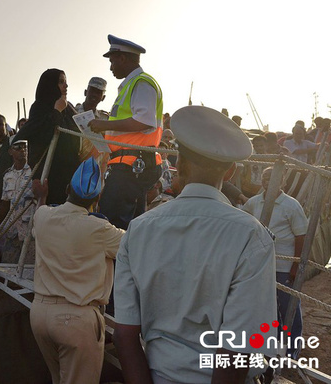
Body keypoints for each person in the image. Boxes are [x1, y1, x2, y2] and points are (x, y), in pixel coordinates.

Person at [113, 105, 276, 384]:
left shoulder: (138, 229)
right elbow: (238, 347)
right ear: (230, 173)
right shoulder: (251, 235)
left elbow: (125, 336)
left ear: (181, 164)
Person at [30, 157, 123, 384]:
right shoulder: (99, 229)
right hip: (75, 320)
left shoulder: (42, 216)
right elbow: (136, 244)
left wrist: (43, 195)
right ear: (97, 198)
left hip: (40, 314)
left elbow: (42, 208)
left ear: (66, 189)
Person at [89, 35, 163, 229]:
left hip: (131, 166)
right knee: (125, 227)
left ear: (123, 58)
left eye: (112, 61)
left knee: (111, 225)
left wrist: (103, 126)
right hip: (129, 164)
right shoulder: (133, 85)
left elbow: (144, 121)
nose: (111, 67)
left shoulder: (141, 83)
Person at [243, 166, 308, 358]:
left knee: (289, 308)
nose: (268, 181)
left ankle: (291, 351)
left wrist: (296, 265)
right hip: (260, 266)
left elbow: (301, 236)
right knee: (267, 308)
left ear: (283, 182)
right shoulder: (254, 203)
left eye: (273, 178)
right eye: (265, 178)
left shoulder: (291, 205)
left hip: (283, 266)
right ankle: (272, 348)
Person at [14, 68, 81, 205]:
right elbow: (39, 134)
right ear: (51, 85)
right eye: (61, 82)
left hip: (70, 174)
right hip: (49, 175)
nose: (65, 86)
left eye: (66, 82)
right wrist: (56, 111)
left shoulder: (69, 109)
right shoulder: (40, 107)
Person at [0, 139, 36, 263]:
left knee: (28, 271)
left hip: (29, 231)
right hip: (12, 231)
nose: (22, 150)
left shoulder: (35, 172)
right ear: (10, 151)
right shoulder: (7, 175)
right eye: (18, 147)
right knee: (7, 267)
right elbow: (5, 205)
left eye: (25, 147)